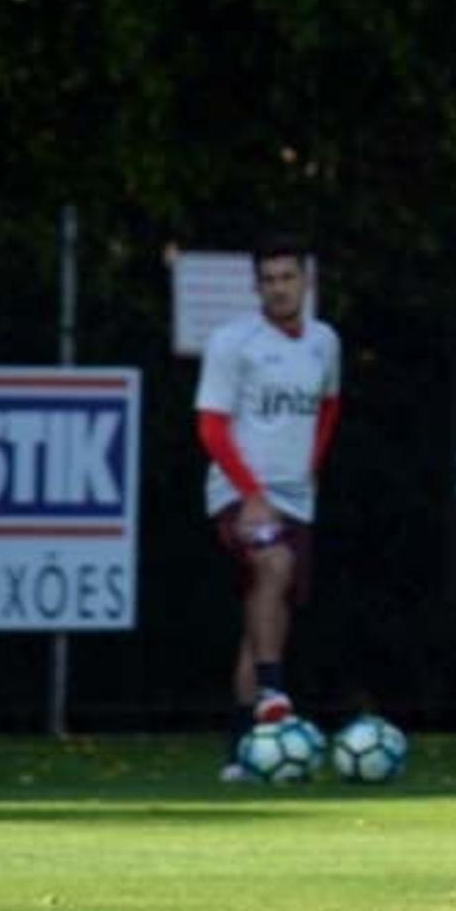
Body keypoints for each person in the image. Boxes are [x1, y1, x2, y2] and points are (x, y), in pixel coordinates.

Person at [193, 236, 342, 780]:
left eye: (289, 277)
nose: (280, 288)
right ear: (256, 288)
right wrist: (251, 494)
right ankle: (274, 693)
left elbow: (327, 407)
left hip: (295, 498)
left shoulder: (325, 342)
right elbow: (210, 424)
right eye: (270, 279)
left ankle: (243, 752)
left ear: (305, 282)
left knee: (265, 616)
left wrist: (309, 470)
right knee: (271, 567)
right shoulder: (234, 343)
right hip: (240, 494)